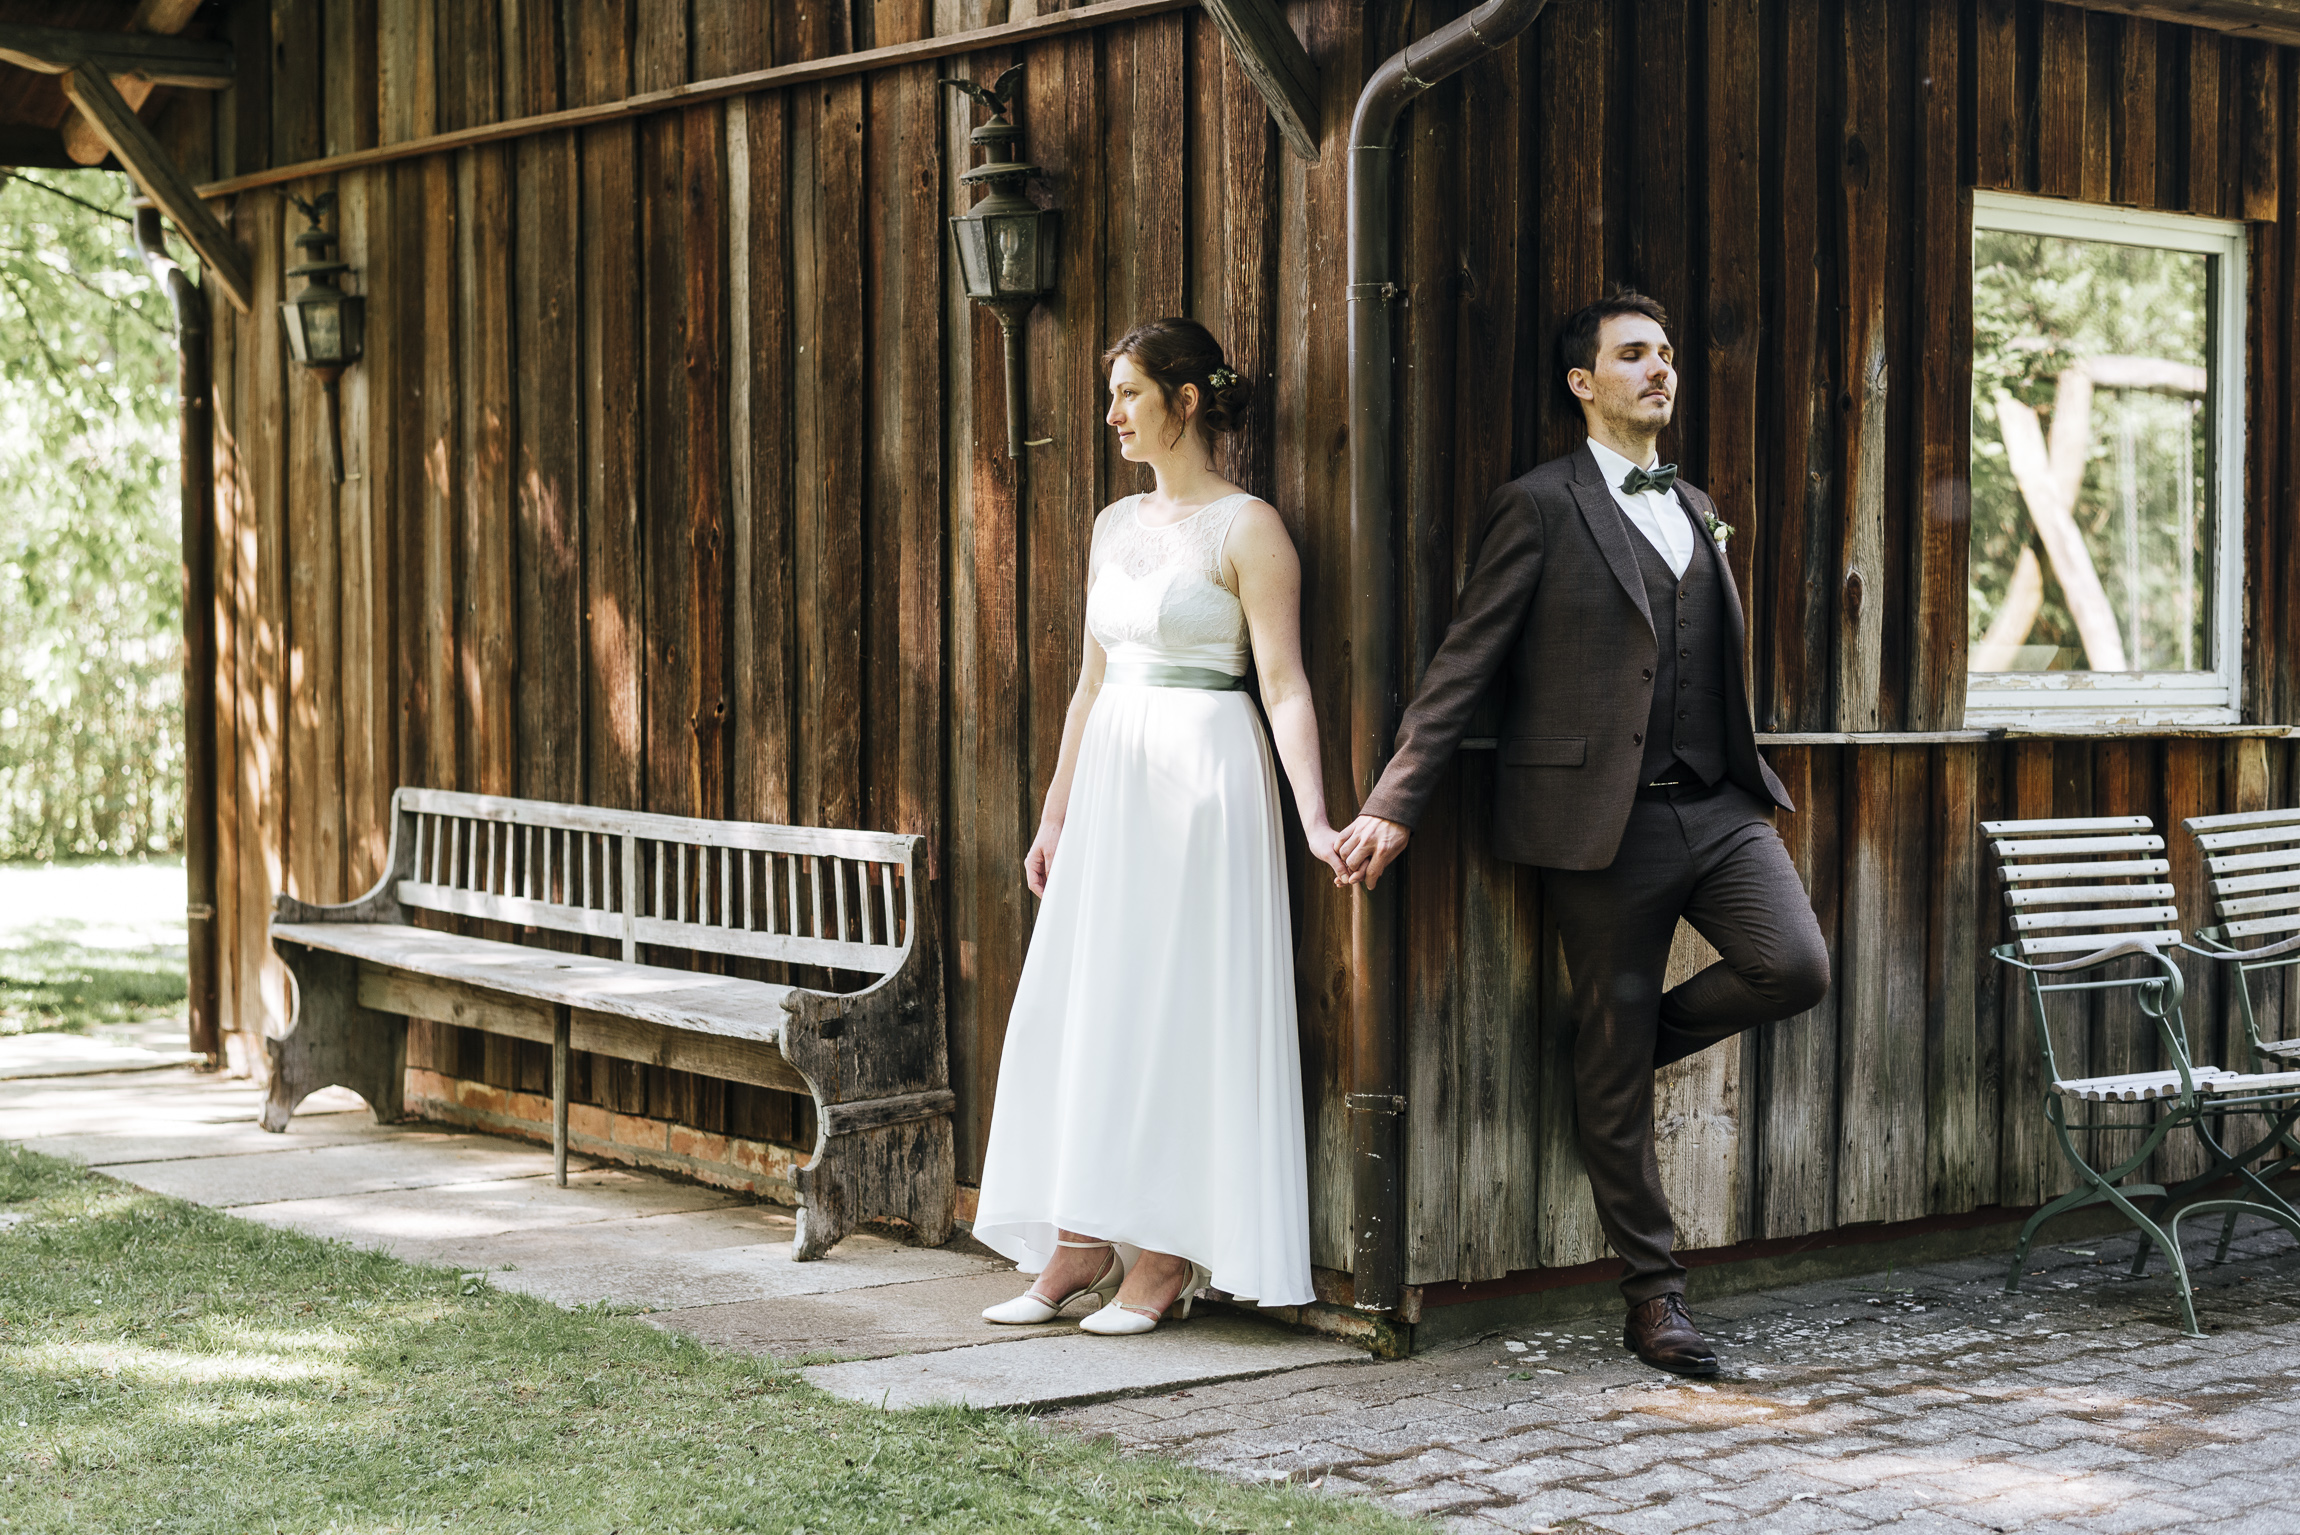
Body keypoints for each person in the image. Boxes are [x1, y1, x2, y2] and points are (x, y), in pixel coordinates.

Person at [1335, 290, 1829, 1376]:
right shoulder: (1536, 505)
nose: (1658, 369)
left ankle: (1609, 1052)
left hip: (1715, 803)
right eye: (1632, 355)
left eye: (1664, 353)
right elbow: (1463, 663)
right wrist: (1391, 800)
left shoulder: (1695, 504)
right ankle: (1654, 1295)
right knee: (1612, 1074)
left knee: (1792, 965)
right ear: (1582, 382)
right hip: (1597, 820)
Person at [972, 317, 1345, 1334]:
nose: (1111, 415)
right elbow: (1088, 682)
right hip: (1112, 786)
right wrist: (1055, 813)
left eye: (1128, 393)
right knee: (1094, 1001)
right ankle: (1082, 1236)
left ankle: (1166, 1254)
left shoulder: (1248, 528)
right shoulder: (1110, 525)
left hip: (1204, 773)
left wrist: (1313, 817)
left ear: (1185, 401)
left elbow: (1283, 682)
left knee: (1182, 1005)